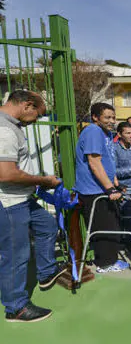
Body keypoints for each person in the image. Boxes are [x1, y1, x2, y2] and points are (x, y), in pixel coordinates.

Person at [0, 90, 65, 322]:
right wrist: (43, 180)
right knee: (16, 254)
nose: (37, 119)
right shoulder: (5, 130)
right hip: (9, 201)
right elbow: (6, 174)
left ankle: (46, 272)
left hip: (21, 198)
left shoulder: (11, 125)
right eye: (38, 114)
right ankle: (15, 307)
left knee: (47, 224)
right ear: (28, 105)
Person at [74, 103, 129, 274]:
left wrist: (115, 184)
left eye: (113, 117)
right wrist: (110, 189)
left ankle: (109, 259)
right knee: (103, 226)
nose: (112, 121)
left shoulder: (106, 133)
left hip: (103, 187)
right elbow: (94, 162)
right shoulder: (93, 131)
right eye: (107, 117)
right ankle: (105, 263)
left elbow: (108, 161)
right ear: (95, 117)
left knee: (111, 224)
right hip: (93, 190)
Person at [113, 121, 131, 249]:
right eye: (128, 133)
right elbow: (113, 172)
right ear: (119, 134)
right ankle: (128, 244)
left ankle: (129, 240)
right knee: (124, 218)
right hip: (122, 189)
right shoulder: (114, 149)